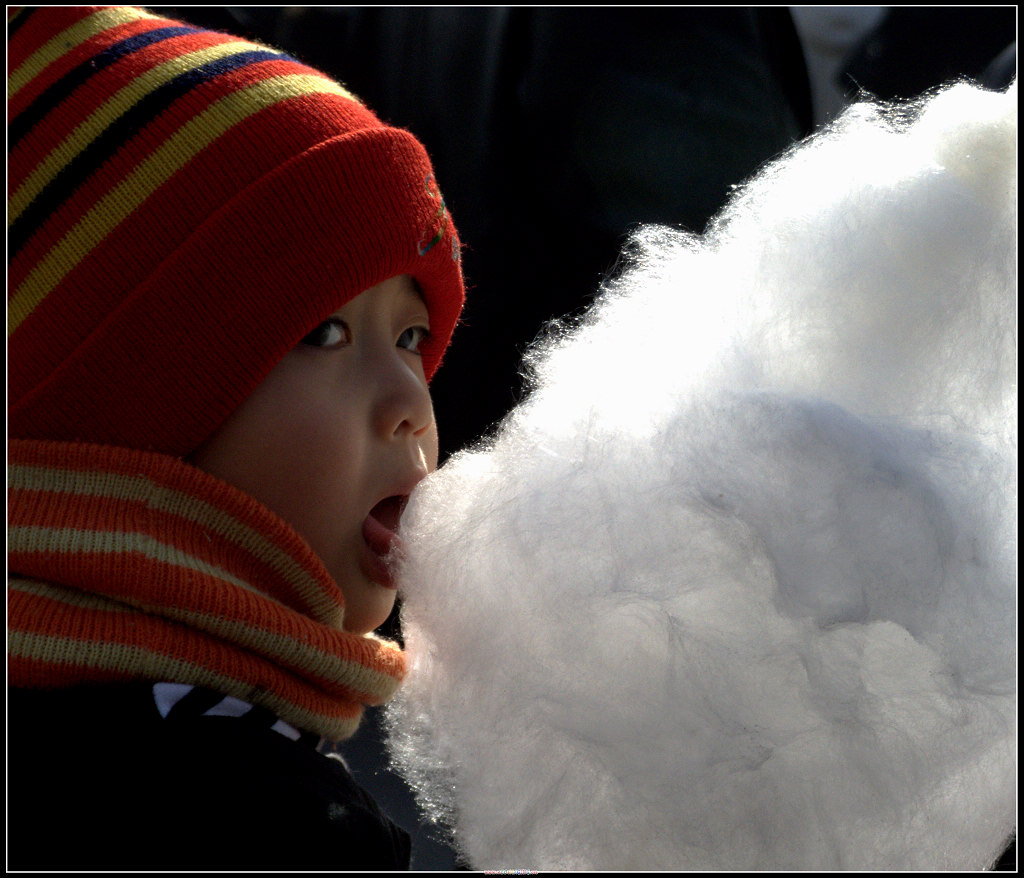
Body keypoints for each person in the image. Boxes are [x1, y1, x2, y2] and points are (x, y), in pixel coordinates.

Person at [7, 5, 464, 870]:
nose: (409, 397)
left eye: (411, 337)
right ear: (135, 406)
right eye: (325, 333)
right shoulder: (237, 811)